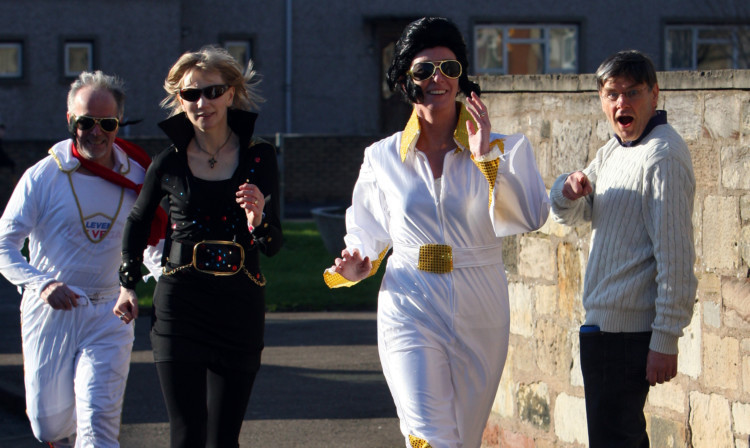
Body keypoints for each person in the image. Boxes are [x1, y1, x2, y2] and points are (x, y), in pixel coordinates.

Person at [324, 17, 550, 448]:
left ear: (463, 77)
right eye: (424, 70)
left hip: (480, 301)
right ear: (406, 80)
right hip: (409, 297)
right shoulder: (382, 157)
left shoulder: (504, 148)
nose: (438, 79)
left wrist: (485, 158)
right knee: (430, 436)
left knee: (462, 438)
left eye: (449, 69)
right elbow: (366, 232)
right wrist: (356, 262)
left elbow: (531, 214)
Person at [115, 45, 282, 448]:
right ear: (179, 100)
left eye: (212, 91)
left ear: (231, 93)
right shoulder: (168, 162)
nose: (201, 102)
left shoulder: (259, 157)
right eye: (190, 94)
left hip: (239, 303)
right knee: (187, 434)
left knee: (223, 438)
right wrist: (128, 283)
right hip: (180, 304)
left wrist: (258, 219)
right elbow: (138, 221)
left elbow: (274, 243)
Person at [0, 71, 162, 447]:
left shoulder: (139, 175)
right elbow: (4, 244)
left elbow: (152, 241)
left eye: (107, 123)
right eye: (86, 122)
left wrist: (152, 283)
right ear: (70, 120)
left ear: (118, 123)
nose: (96, 132)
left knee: (99, 424)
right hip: (52, 312)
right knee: (49, 427)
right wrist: (41, 283)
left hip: (110, 311)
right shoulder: (42, 176)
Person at [549, 50, 697, 447]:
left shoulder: (661, 156)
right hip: (603, 329)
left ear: (655, 94)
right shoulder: (615, 149)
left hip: (628, 337)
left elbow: (677, 259)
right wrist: (567, 189)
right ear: (601, 99)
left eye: (632, 92)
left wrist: (666, 339)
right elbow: (575, 212)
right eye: (612, 94)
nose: (621, 103)